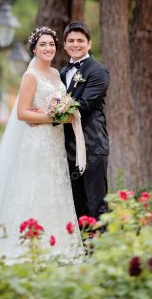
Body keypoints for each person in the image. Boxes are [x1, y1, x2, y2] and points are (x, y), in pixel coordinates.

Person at [0, 27, 84, 262]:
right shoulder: (30, 76)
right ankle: (27, 245)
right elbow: (22, 113)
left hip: (55, 142)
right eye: (43, 45)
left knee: (54, 189)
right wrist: (55, 117)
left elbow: (60, 108)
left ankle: (58, 245)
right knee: (33, 189)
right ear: (34, 49)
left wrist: (61, 114)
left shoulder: (56, 74)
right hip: (37, 141)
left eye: (51, 44)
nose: (48, 48)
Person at [60, 21, 110, 220]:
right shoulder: (62, 73)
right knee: (76, 207)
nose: (75, 44)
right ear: (65, 45)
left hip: (92, 146)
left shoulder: (99, 71)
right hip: (67, 148)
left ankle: (101, 241)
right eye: (71, 40)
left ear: (89, 43)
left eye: (80, 40)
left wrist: (45, 117)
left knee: (97, 205)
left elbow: (82, 105)